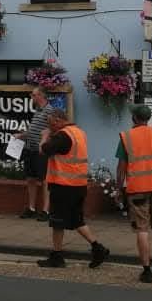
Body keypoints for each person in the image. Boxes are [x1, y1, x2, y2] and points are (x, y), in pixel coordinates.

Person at [37, 108, 110, 269]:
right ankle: (98, 248)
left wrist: (44, 136)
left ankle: (57, 256)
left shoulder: (62, 135)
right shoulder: (79, 132)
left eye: (51, 124)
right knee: (77, 220)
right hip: (78, 185)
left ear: (58, 120)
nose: (51, 127)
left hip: (63, 186)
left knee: (57, 222)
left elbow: (43, 150)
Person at [115, 103, 152, 283]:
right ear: (148, 118)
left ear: (134, 118)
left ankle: (146, 270)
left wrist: (119, 188)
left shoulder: (126, 137)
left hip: (137, 191)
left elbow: (121, 169)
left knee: (142, 229)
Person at [13, 86, 54, 220]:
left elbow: (52, 130)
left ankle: (46, 210)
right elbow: (33, 131)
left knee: (44, 180)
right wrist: (21, 135)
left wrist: (44, 143)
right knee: (30, 178)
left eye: (33, 95)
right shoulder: (37, 110)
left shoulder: (49, 111)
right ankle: (31, 208)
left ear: (41, 96)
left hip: (41, 151)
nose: (31, 97)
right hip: (30, 149)